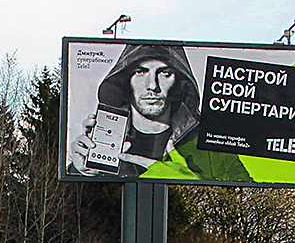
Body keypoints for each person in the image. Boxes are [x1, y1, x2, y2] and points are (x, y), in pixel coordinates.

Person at [69, 43, 251, 183]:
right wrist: (80, 171)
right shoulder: (105, 141)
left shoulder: (209, 145)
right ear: (125, 80)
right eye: (140, 72)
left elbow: (246, 205)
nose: (152, 86)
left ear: (180, 81)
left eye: (165, 73)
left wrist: (189, 184)